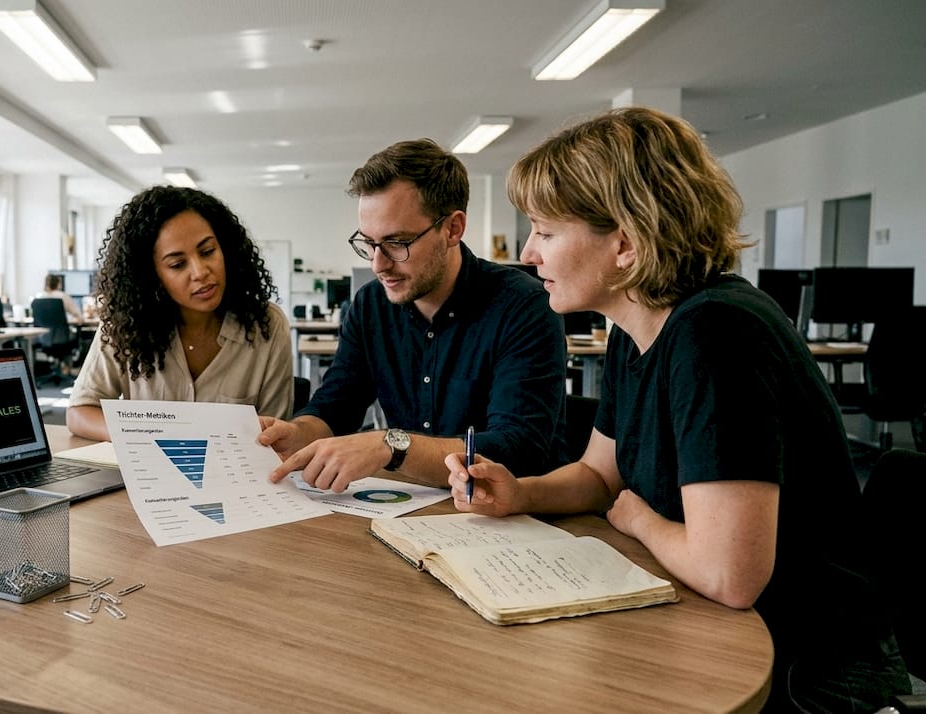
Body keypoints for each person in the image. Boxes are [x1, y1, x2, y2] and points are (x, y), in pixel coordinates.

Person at [451, 106, 908, 712]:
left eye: (546, 231)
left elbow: (729, 576)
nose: (529, 253)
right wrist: (521, 494)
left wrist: (640, 521)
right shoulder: (635, 327)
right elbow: (598, 475)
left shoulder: (716, 334)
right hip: (725, 625)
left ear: (627, 242)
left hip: (807, 667)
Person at [261, 139, 569, 492]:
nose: (378, 264)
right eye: (368, 243)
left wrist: (390, 447)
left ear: (453, 229)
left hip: (517, 515)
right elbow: (335, 406)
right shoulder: (370, 306)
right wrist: (297, 433)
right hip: (413, 504)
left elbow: (517, 450)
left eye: (397, 243)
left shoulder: (522, 305)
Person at [66, 186, 293, 441]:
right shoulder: (126, 324)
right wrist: (143, 435)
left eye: (208, 252)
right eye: (177, 264)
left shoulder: (266, 325)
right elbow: (80, 412)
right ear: (152, 276)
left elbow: (276, 433)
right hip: (146, 476)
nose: (200, 271)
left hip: (232, 475)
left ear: (226, 250)